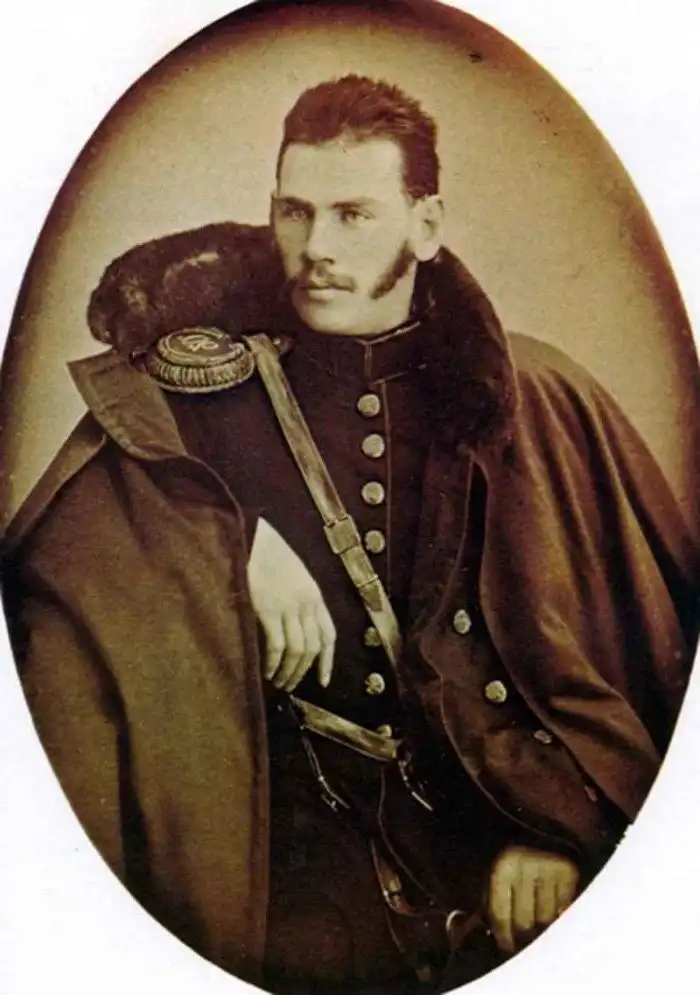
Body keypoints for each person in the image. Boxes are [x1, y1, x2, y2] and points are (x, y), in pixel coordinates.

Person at [2, 75, 698, 994]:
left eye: (353, 215)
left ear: (426, 224)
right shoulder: (188, 405)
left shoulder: (536, 399)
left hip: (484, 847)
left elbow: (649, 672)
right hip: (277, 871)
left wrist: (560, 828)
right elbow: (53, 572)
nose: (316, 248)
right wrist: (223, 541)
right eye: (295, 211)